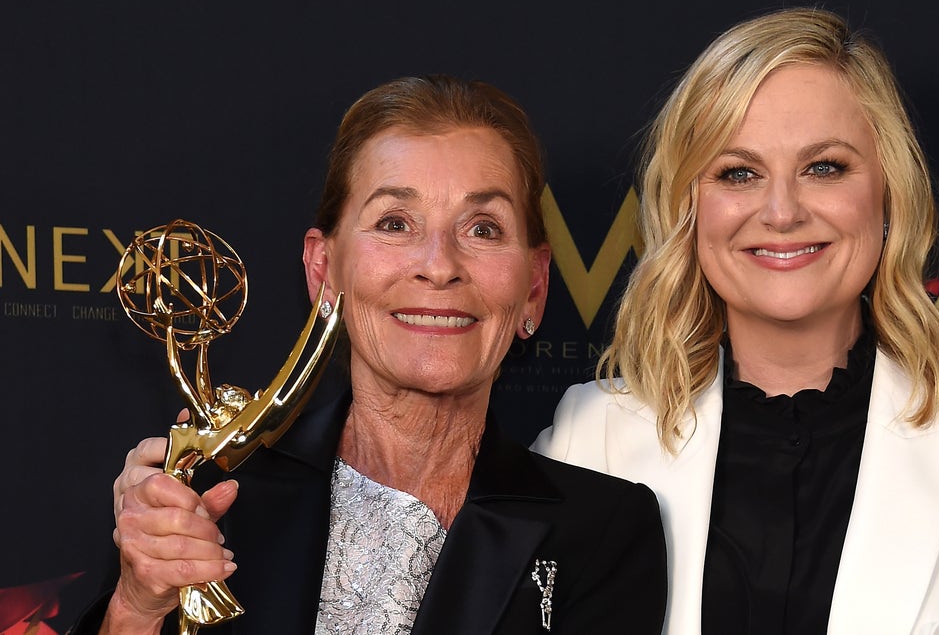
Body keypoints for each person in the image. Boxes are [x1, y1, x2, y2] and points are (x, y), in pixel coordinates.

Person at [534, 8, 939, 635]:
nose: (781, 212)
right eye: (739, 173)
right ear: (688, 208)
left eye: (824, 168)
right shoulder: (587, 438)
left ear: (887, 193)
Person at [75, 75, 667, 635]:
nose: (438, 265)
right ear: (323, 270)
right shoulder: (217, 492)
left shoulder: (601, 532)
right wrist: (136, 608)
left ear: (534, 286)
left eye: (483, 228)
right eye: (394, 222)